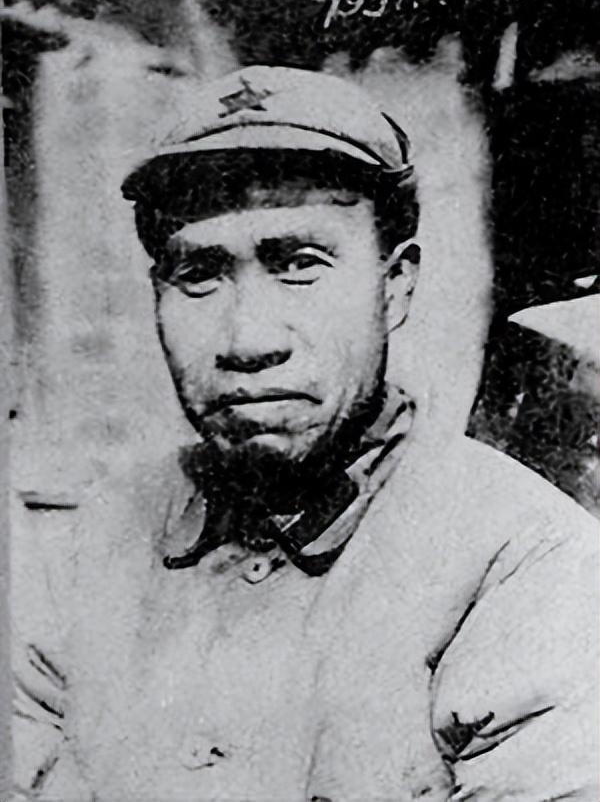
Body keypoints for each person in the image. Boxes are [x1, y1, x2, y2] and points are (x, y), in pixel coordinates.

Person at [12, 65, 598, 801]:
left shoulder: (524, 564)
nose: (248, 339)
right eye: (198, 274)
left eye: (298, 264)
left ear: (396, 285)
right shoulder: (84, 551)